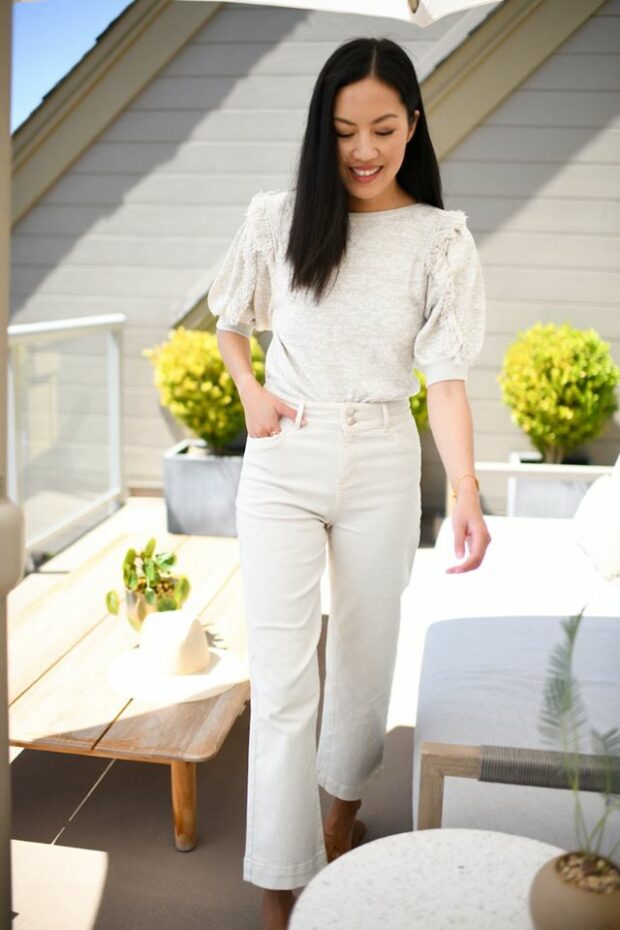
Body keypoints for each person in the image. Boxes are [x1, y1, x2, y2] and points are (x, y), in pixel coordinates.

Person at [208, 35, 492, 930]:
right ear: (319, 131)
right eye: (342, 132)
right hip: (284, 459)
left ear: (413, 124)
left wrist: (468, 490)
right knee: (283, 682)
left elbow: (447, 380)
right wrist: (249, 389)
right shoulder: (278, 218)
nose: (363, 150)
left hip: (382, 459)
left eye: (383, 129)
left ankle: (338, 820)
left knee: (366, 662)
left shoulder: (439, 239)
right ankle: (278, 886)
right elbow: (229, 321)